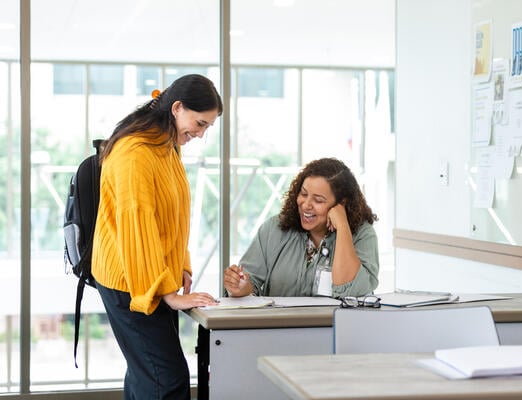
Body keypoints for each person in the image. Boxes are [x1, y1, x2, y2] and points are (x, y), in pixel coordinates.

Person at [91, 74, 222, 400]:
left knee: (147, 374)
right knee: (166, 380)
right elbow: (137, 226)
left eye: (208, 127)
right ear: (177, 108)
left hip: (152, 274)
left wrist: (182, 265)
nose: (201, 133)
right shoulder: (135, 152)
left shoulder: (165, 146)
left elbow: (173, 214)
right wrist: (165, 291)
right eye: (199, 122)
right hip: (129, 281)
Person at [224, 157, 379, 298]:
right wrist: (241, 287)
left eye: (318, 200)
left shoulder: (362, 235)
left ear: (341, 204)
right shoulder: (274, 229)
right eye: (303, 194)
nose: (306, 205)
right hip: (278, 328)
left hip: (336, 329)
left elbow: (350, 290)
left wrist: (343, 226)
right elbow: (249, 282)